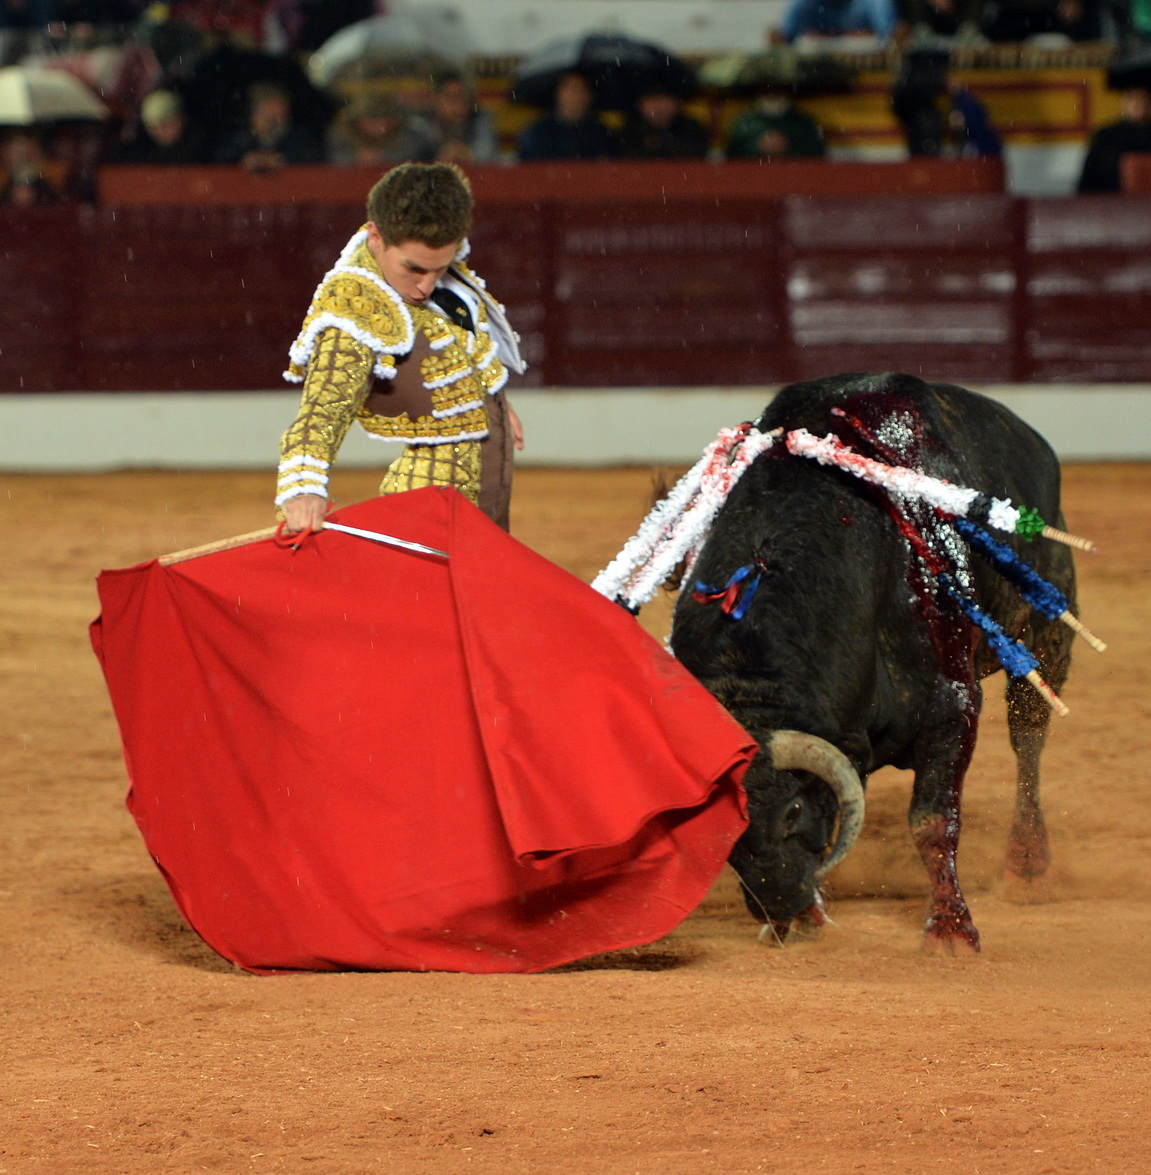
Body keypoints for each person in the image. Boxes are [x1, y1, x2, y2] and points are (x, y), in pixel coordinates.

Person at [277, 162, 526, 535]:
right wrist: (303, 487)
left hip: (485, 487)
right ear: (375, 237)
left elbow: (460, 345)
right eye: (414, 269)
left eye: (439, 270)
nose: (426, 285)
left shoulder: (443, 272)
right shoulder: (356, 305)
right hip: (427, 507)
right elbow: (322, 409)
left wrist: (488, 401)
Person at [216, 79, 324, 168]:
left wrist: (281, 159)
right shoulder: (238, 140)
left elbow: (314, 159)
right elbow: (217, 160)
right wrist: (244, 159)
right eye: (267, 116)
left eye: (278, 117)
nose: (273, 123)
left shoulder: (299, 140)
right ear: (253, 114)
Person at [517, 70, 620, 162]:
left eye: (581, 89)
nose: (575, 96)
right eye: (570, 89)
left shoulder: (602, 134)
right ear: (558, 93)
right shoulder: (537, 133)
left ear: (589, 97)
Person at [325, 90, 435, 166]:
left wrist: (382, 157)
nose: (374, 125)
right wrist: (355, 158)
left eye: (379, 119)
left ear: (392, 121)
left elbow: (411, 155)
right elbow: (335, 156)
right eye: (369, 119)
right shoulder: (343, 130)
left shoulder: (406, 132)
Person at [415, 70, 500, 164]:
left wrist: (466, 154)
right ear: (435, 99)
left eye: (462, 96)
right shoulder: (420, 122)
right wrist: (439, 156)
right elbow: (409, 157)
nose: (458, 103)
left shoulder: (479, 118)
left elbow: (487, 153)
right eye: (451, 97)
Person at [1078, 84, 1151, 190]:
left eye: (1144, 98)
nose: (1139, 103)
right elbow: (1087, 184)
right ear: (1124, 100)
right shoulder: (1105, 136)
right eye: (1132, 97)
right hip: (1113, 204)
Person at [108, 89, 209, 164]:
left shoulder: (205, 148)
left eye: (165, 124)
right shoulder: (141, 151)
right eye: (153, 128)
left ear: (180, 119)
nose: (160, 132)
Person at [725, 86, 826, 158]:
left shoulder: (804, 123)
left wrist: (788, 147)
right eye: (767, 89)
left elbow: (817, 154)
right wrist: (757, 148)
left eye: (778, 90)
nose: (772, 94)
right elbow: (731, 154)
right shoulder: (744, 123)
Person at [618, 85, 710, 159]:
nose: (659, 106)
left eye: (665, 100)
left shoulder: (690, 128)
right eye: (653, 100)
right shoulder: (630, 130)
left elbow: (697, 156)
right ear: (640, 104)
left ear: (678, 103)